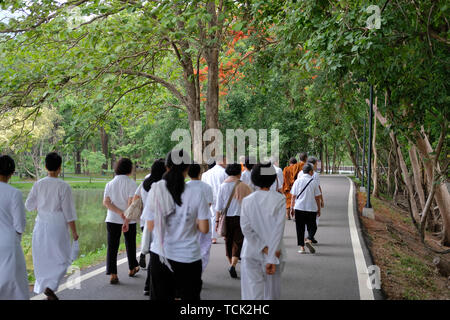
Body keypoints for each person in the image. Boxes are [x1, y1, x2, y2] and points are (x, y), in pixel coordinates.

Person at [143, 149, 210, 300]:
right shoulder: (196, 193)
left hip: (161, 256)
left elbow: (151, 226)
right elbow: (204, 229)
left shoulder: (157, 189)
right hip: (189, 259)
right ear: (186, 169)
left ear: (167, 167)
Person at [25, 152, 79, 300]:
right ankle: (51, 286)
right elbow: (69, 213)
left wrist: (42, 207)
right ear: (60, 168)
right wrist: (74, 232)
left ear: (45, 166)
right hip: (58, 225)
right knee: (64, 257)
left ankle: (46, 286)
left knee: (43, 257)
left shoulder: (38, 184)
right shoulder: (64, 186)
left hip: (41, 225)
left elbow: (29, 205)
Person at [240, 162, 286, 300]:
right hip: (275, 253)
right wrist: (270, 253)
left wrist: (263, 248)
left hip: (251, 252)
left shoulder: (247, 201)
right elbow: (279, 229)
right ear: (273, 179)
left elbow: (246, 229)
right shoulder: (280, 199)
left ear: (254, 179)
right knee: (271, 296)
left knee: (251, 296)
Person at [130, 159, 166, 296]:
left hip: (145, 224)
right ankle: (149, 286)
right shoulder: (162, 186)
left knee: (154, 257)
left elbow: (135, 199)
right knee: (157, 258)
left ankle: (148, 286)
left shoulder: (145, 183)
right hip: (159, 225)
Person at [102, 158, 139, 285]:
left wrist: (119, 213)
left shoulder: (109, 184)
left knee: (112, 246)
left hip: (112, 219)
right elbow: (130, 203)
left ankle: (113, 274)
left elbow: (106, 202)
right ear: (129, 169)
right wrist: (126, 219)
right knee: (130, 244)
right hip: (129, 220)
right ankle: (132, 267)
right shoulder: (132, 183)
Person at [215, 163, 252, 279]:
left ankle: (231, 263)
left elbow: (218, 207)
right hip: (241, 217)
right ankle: (233, 265)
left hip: (227, 218)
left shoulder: (222, 186)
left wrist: (216, 221)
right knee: (238, 242)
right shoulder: (245, 186)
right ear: (239, 173)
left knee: (228, 242)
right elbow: (250, 204)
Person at [0, 155, 29, 300]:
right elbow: (20, 225)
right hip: (8, 243)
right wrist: (16, 236)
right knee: (15, 286)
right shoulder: (14, 193)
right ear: (12, 173)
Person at [187, 162, 214, 273]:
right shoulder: (207, 187)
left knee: (189, 247)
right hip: (204, 221)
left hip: (189, 221)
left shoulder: (185, 186)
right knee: (204, 248)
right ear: (200, 172)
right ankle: (199, 271)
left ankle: (190, 271)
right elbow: (208, 204)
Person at [290, 163, 321, 254]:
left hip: (299, 208)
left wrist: (292, 208)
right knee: (313, 226)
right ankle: (309, 239)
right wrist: (319, 209)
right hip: (311, 208)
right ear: (310, 171)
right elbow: (317, 197)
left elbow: (293, 196)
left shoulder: (297, 181)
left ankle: (302, 248)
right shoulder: (314, 182)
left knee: (300, 228)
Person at [201, 155, 228, 244]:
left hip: (210, 196)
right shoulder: (225, 172)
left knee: (213, 216)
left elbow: (203, 187)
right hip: (223, 196)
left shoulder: (205, 174)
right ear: (222, 161)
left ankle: (213, 237)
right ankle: (225, 234)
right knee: (224, 215)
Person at [297, 157, 324, 244]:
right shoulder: (314, 174)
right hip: (312, 202)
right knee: (313, 222)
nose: (317, 166)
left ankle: (308, 238)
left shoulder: (300, 173)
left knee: (303, 224)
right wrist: (321, 200)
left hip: (300, 203)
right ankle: (309, 237)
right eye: (316, 164)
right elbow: (318, 188)